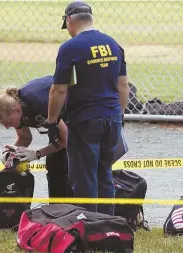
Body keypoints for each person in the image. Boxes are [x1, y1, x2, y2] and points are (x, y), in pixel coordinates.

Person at [45, 1, 129, 215]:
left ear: (69, 20)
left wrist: (52, 121)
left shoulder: (70, 48)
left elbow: (58, 90)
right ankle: (106, 225)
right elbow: (123, 86)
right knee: (104, 174)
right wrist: (118, 115)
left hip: (85, 120)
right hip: (111, 118)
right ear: (91, 19)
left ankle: (89, 228)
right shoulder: (113, 44)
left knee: (84, 177)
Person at [0, 76, 73, 199]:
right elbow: (24, 138)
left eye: (8, 121)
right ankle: (56, 212)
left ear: (17, 111)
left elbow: (65, 140)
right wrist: (12, 152)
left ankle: (75, 212)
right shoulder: (17, 107)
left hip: (77, 110)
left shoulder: (38, 104)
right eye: (4, 124)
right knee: (54, 166)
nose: (7, 127)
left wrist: (36, 154)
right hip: (59, 120)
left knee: (69, 166)